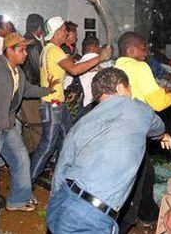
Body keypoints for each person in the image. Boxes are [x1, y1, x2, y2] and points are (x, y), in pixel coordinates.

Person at [47, 67, 171, 234]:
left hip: (61, 205)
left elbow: (60, 171)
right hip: (92, 218)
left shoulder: (81, 124)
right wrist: (162, 136)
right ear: (121, 87)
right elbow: (158, 128)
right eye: (130, 89)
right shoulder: (138, 108)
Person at [29, 16, 111, 204]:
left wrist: (91, 69)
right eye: (64, 30)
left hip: (59, 104)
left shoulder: (48, 50)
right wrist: (101, 57)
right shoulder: (55, 51)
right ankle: (27, 188)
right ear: (57, 31)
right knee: (47, 147)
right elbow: (73, 70)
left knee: (66, 141)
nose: (67, 33)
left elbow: (67, 72)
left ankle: (61, 181)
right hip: (52, 105)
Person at [115, 31, 171, 233]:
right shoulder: (140, 66)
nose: (146, 54)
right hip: (134, 132)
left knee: (145, 173)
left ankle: (147, 213)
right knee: (140, 179)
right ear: (132, 49)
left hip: (118, 129)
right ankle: (128, 221)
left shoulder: (117, 65)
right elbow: (157, 103)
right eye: (143, 49)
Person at [0, 32, 57, 212]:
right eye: (21, 50)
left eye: (25, 50)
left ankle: (16, 201)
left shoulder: (17, 72)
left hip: (7, 126)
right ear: (9, 51)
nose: (25, 54)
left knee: (21, 160)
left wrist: (47, 90)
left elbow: (27, 90)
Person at [19, 14, 45, 152]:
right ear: (40, 27)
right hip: (33, 89)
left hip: (25, 89)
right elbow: (38, 68)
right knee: (36, 126)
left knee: (28, 127)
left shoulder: (25, 39)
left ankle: (31, 158)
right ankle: (39, 161)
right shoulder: (34, 44)